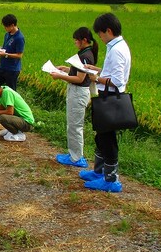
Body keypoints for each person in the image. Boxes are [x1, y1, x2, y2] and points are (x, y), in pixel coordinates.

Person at [81, 13, 131, 193]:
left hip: (109, 98)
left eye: (100, 34)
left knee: (108, 140)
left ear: (108, 31)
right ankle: (99, 171)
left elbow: (117, 81)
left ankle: (110, 179)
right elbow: (112, 72)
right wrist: (97, 70)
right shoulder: (117, 46)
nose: (100, 38)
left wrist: (97, 78)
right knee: (100, 136)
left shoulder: (117, 50)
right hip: (106, 96)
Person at [50, 27, 99, 167]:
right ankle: (73, 154)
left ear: (84, 40)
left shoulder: (86, 55)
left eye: (77, 40)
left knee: (75, 126)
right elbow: (78, 72)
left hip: (78, 93)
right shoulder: (85, 53)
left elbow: (79, 79)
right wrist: (65, 69)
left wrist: (59, 76)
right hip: (77, 92)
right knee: (72, 124)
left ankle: (76, 157)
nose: (75, 42)